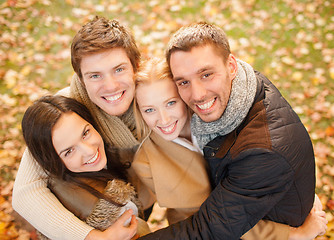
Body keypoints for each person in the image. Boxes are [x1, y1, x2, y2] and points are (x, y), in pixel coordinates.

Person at [138, 22, 328, 239]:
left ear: (231, 66)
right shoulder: (244, 88)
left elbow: (209, 230)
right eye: (183, 81)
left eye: (206, 74)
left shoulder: (263, 151)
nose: (198, 94)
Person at [12, 16, 155, 240]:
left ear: (136, 66)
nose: (110, 86)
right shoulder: (65, 110)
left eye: (118, 69)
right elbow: (25, 192)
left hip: (146, 193)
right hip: (100, 204)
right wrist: (91, 237)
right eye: (95, 76)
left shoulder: (156, 91)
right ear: (80, 78)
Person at [21, 95, 152, 240]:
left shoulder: (111, 144)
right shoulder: (104, 210)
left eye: (85, 133)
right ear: (53, 160)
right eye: (69, 151)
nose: (89, 151)